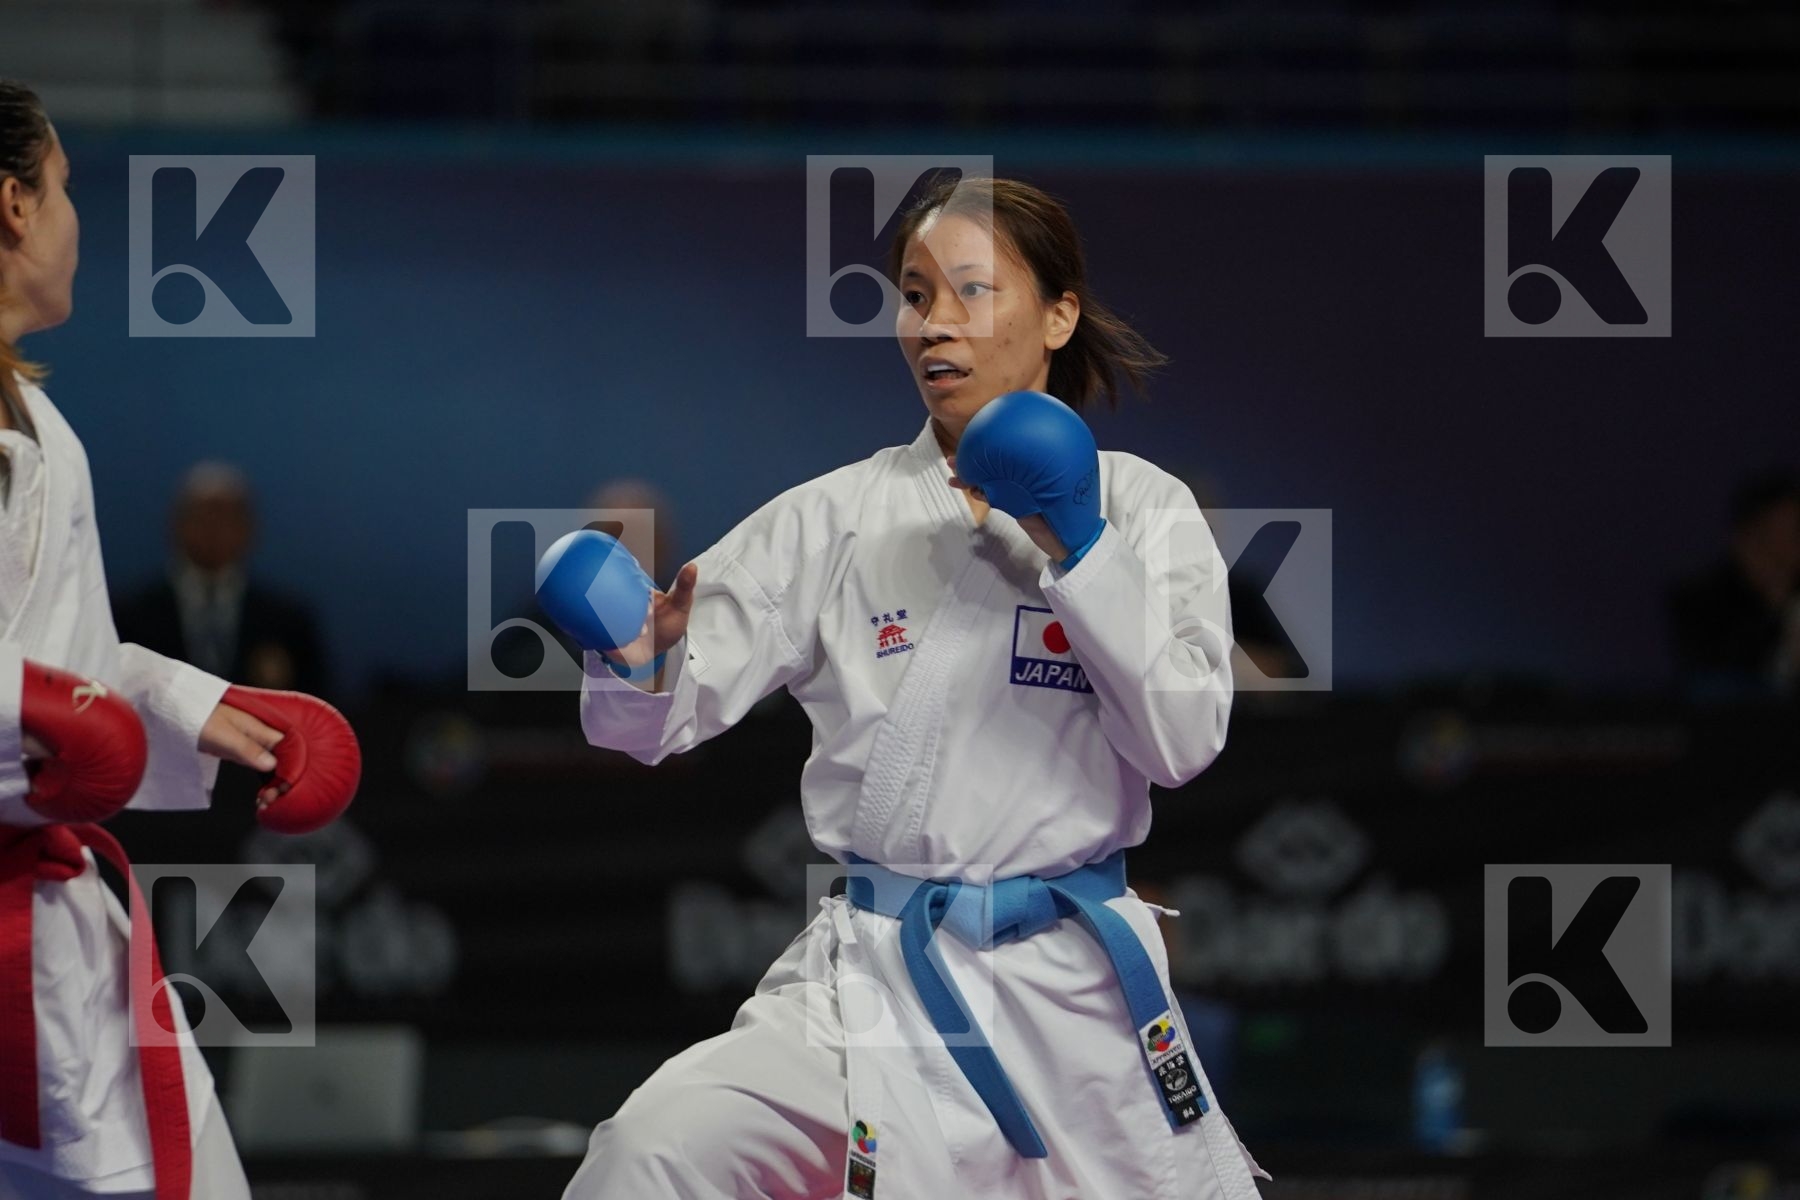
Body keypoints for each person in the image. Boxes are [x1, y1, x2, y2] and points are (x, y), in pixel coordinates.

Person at [557, 177, 1267, 1199]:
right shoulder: (831, 519)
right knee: (650, 1152)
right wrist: (635, 659)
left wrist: (1080, 548)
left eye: (969, 291)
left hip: (1074, 998)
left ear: (1058, 314)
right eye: (915, 293)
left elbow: (1182, 742)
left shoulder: (1142, 510)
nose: (933, 324)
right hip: (876, 982)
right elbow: (653, 726)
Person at [0, 79, 356, 1198]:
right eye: (61, 190)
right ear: (12, 203)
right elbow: (45, 695)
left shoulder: (42, 425)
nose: (75, 223)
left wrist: (200, 715)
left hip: (46, 907)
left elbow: (73, 664)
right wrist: (34, 717)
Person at [114, 462, 329, 697]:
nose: (213, 530)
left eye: (226, 516)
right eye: (202, 516)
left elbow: (316, 708)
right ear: (176, 524)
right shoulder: (132, 616)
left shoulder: (288, 620)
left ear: (249, 527)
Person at [1667, 468, 1800, 701]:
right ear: (1747, 537)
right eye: (1783, 533)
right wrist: (1775, 608)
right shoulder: (1700, 599)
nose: (1789, 545)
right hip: (1734, 729)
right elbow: (1713, 676)